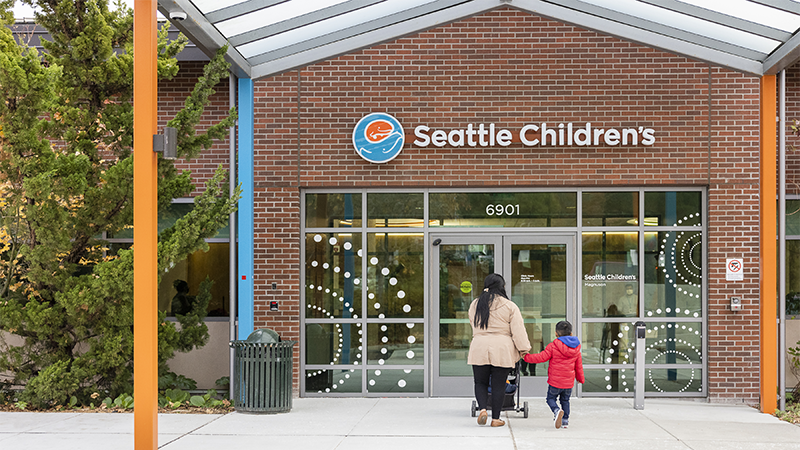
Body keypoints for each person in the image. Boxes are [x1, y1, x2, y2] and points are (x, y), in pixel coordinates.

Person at [468, 273, 531, 428]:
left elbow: (473, 324)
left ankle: (483, 409)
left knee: (480, 382)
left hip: (479, 346)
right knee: (499, 385)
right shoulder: (510, 306)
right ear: (502, 286)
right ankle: (496, 418)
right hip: (502, 347)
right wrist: (523, 349)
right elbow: (518, 331)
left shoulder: (475, 304)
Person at [522, 320, 584, 429]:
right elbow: (578, 366)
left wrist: (526, 357)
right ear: (571, 333)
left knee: (550, 399)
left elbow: (541, 357)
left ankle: (556, 410)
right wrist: (580, 378)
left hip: (555, 382)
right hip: (568, 383)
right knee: (565, 400)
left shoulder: (553, 346)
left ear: (556, 333)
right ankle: (565, 421)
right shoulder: (576, 348)